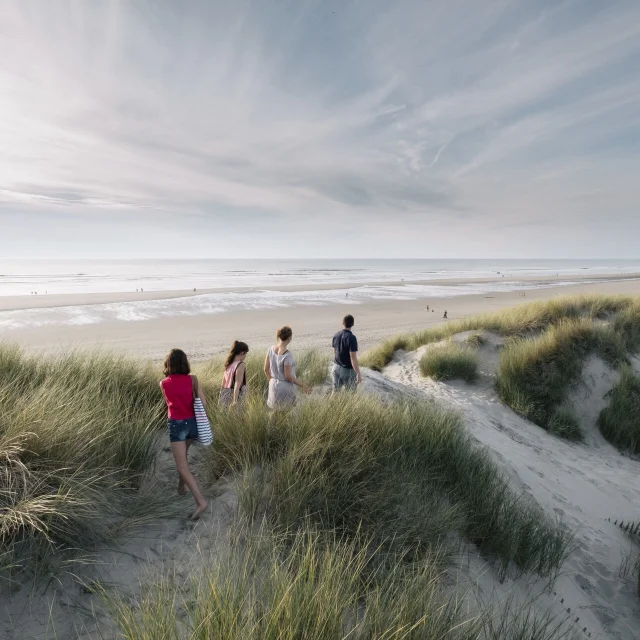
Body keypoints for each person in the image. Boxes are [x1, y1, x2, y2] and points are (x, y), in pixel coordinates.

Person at [160, 348, 208, 520]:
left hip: (177, 425)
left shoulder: (164, 383)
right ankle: (181, 487)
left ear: (168, 364)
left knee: (181, 465)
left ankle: (200, 502)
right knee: (183, 458)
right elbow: (203, 401)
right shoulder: (193, 380)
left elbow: (169, 404)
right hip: (192, 423)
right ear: (185, 362)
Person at [264, 325, 309, 408]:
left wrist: (271, 380)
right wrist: (302, 385)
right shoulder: (287, 354)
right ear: (289, 338)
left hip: (273, 385)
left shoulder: (270, 349)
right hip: (285, 387)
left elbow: (266, 369)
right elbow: (287, 376)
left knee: (274, 411)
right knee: (286, 413)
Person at [332, 314, 361, 391]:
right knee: (351, 393)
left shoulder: (336, 335)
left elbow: (334, 351)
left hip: (335, 366)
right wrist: (358, 373)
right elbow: (353, 357)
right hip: (347, 370)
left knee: (335, 392)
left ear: (343, 323)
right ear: (352, 324)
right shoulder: (352, 338)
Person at [219, 340, 249, 407]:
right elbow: (237, 384)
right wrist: (235, 401)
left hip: (225, 394)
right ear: (242, 353)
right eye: (245, 354)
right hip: (237, 395)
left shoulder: (228, 364)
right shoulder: (240, 365)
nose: (245, 357)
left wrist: (220, 398)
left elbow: (223, 384)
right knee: (239, 416)